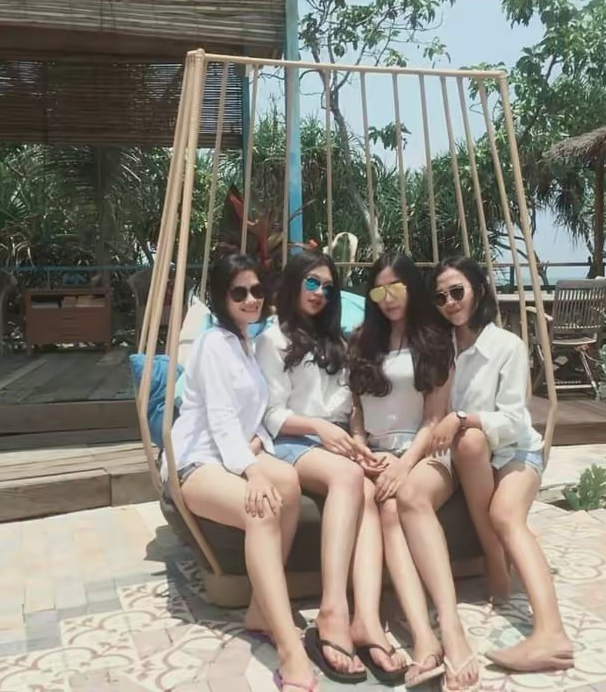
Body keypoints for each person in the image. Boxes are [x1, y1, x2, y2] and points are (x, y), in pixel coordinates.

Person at [409, 256, 573, 685]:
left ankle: (552, 633)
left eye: (457, 291)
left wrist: (463, 416)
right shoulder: (443, 347)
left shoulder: (506, 346)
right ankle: (495, 564)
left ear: (478, 290)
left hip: (516, 452)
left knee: (504, 512)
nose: (450, 303)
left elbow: (516, 422)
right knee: (467, 444)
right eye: (440, 297)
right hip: (468, 457)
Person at [165, 249, 317, 692]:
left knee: (288, 482)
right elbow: (219, 418)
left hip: (230, 452)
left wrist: (256, 448)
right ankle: (289, 650)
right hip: (196, 461)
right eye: (239, 293)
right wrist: (252, 471)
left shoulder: (246, 343)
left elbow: (251, 416)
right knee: (263, 509)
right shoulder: (214, 344)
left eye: (257, 290)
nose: (251, 299)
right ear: (221, 297)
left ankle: (258, 610)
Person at [255, 249, 405, 684]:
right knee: (347, 475)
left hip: (334, 440)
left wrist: (357, 441)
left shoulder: (335, 341)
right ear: (292, 284)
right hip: (291, 439)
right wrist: (321, 430)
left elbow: (350, 406)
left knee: (369, 491)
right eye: (311, 283)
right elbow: (271, 414)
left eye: (326, 286)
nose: (319, 292)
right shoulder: (273, 339)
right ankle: (332, 611)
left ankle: (367, 619)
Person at [347, 253, 454, 689]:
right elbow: (356, 411)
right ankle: (423, 638)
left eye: (396, 287)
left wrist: (405, 462)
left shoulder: (435, 341)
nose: (388, 298)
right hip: (374, 453)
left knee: (392, 507)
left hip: (420, 452)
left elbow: (433, 418)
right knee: (384, 508)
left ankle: (426, 637)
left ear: (411, 287)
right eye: (378, 290)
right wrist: (359, 446)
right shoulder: (361, 342)